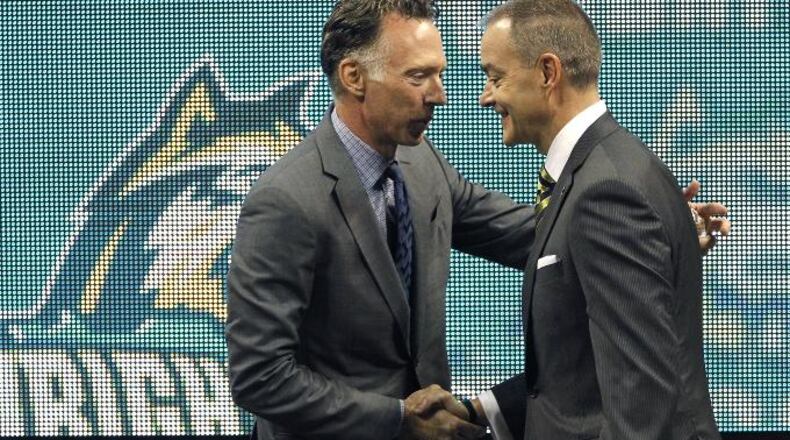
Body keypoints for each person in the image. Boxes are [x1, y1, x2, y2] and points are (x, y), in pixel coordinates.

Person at [226, 1, 729, 439]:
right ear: (355, 77)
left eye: (439, 74)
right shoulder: (284, 199)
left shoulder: (421, 164)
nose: (441, 95)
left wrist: (652, 230)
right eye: (418, 76)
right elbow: (260, 376)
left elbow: (542, 234)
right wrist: (397, 418)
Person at [424, 1, 722, 439]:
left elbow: (640, 403)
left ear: (548, 72)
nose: (486, 96)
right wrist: (480, 409)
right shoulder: (601, 175)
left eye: (496, 76)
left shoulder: (607, 193)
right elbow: (580, 369)